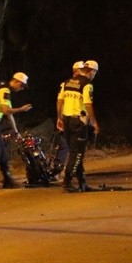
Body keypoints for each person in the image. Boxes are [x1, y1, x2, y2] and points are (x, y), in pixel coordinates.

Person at [56, 59, 100, 192]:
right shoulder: (87, 84)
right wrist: (94, 122)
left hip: (66, 119)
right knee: (77, 153)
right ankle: (67, 182)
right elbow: (88, 104)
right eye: (95, 73)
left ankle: (82, 183)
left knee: (75, 151)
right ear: (91, 71)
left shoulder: (66, 82)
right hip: (79, 122)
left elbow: (59, 101)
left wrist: (59, 118)